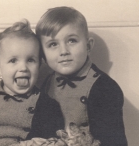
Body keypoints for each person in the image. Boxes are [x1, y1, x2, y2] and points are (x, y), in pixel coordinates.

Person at [35, 6, 127, 146]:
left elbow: (114, 140)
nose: (63, 51)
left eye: (72, 41)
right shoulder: (47, 83)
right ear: (43, 55)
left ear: (88, 46)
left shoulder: (104, 88)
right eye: (53, 44)